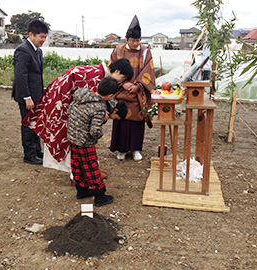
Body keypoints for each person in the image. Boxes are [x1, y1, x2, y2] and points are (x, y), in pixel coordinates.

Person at [22, 58, 134, 171]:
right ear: (117, 71)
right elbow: (89, 102)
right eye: (123, 78)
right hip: (61, 102)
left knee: (72, 134)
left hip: (63, 100)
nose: (121, 82)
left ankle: (76, 169)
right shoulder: (96, 75)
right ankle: (74, 171)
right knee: (70, 134)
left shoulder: (98, 73)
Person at [67, 77, 122, 207]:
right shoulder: (98, 107)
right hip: (85, 142)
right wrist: (102, 124)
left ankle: (82, 191)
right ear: (109, 95)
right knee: (91, 168)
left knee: (77, 165)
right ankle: (100, 196)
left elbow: (70, 112)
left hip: (73, 137)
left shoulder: (81, 94)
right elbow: (94, 131)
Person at [109, 15, 156, 161]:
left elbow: (149, 70)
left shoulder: (146, 52)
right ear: (126, 38)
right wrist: (123, 83)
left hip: (138, 94)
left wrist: (138, 86)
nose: (136, 43)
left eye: (138, 40)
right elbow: (112, 70)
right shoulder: (117, 51)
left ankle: (135, 149)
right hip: (121, 91)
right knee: (121, 119)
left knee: (137, 122)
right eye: (133, 40)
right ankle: (122, 150)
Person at [12, 20, 49, 165]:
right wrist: (27, 97)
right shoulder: (23, 50)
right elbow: (21, 76)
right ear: (31, 34)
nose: (43, 40)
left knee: (36, 123)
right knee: (28, 124)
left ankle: (36, 150)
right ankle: (29, 154)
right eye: (41, 37)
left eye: (45, 37)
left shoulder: (38, 51)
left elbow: (37, 75)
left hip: (36, 94)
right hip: (26, 96)